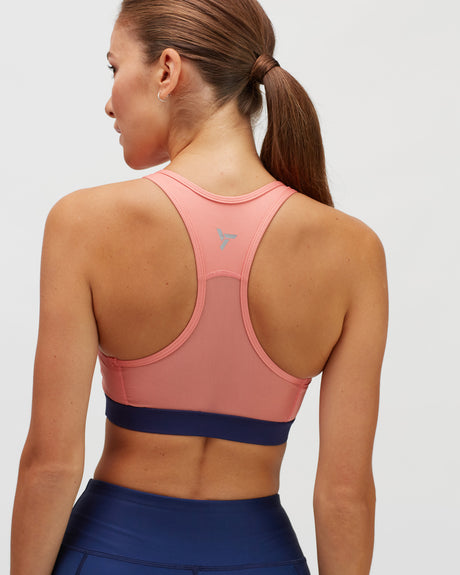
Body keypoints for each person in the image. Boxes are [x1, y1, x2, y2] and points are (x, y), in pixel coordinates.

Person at [10, 1, 388, 574]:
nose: (109, 101)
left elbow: (50, 465)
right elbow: (345, 494)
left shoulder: (83, 225)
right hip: (261, 559)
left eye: (114, 68)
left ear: (166, 69)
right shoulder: (353, 251)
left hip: (111, 553)